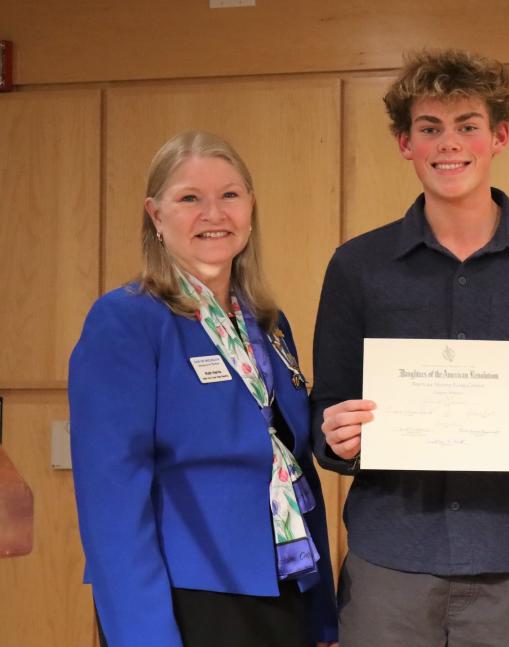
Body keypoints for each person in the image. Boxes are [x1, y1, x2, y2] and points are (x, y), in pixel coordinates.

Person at [311, 49, 509, 646]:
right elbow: (328, 406)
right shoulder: (357, 266)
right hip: (388, 565)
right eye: (429, 128)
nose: (448, 145)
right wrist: (337, 438)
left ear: (499, 135)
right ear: (405, 143)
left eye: (467, 126)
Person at [69, 131, 338, 647]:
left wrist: (322, 611)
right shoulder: (127, 321)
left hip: (284, 588)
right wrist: (142, 636)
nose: (213, 213)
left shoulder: (268, 324)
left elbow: (292, 465)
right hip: (184, 598)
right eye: (190, 198)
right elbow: (112, 506)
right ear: (156, 216)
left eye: (230, 196)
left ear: (251, 209)